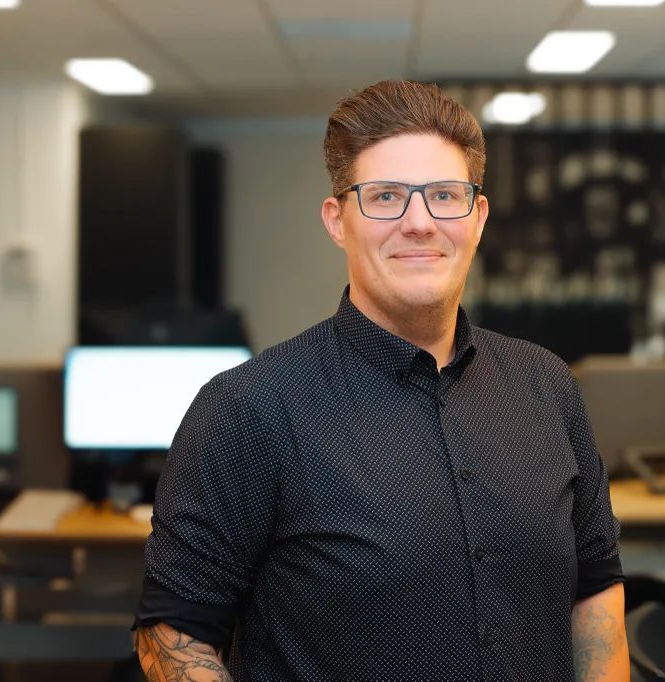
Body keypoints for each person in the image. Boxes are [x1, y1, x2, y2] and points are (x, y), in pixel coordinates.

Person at [132, 79, 628, 681]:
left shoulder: (547, 386)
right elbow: (173, 631)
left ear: (477, 218)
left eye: (444, 195)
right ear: (337, 220)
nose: (419, 222)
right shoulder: (247, 408)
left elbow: (595, 588)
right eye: (386, 196)